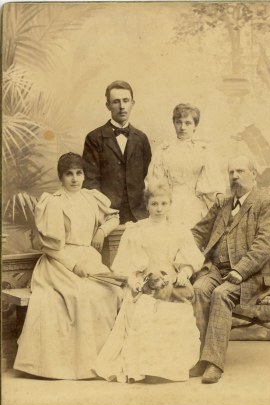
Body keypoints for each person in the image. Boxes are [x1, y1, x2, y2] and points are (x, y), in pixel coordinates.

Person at [14, 153, 123, 379]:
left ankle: (102, 361)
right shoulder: (53, 202)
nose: (74, 179)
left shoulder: (91, 198)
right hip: (59, 263)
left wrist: (102, 231)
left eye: (79, 173)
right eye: (69, 174)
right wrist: (73, 266)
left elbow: (115, 218)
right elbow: (51, 247)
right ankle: (76, 365)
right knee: (82, 295)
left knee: (111, 292)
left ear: (84, 175)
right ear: (61, 177)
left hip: (89, 257)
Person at [92, 183, 205, 383]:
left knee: (175, 314)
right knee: (143, 309)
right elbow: (126, 266)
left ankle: (167, 368)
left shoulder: (178, 230)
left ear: (170, 204)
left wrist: (184, 273)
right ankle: (143, 367)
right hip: (143, 283)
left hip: (171, 284)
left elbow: (189, 261)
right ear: (147, 205)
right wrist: (134, 282)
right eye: (154, 204)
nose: (159, 208)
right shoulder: (136, 230)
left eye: (164, 203)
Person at [191, 155, 270, 384]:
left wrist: (240, 270)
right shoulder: (223, 203)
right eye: (231, 172)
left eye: (240, 171)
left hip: (251, 273)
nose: (235, 176)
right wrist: (176, 248)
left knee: (221, 294)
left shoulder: (265, 204)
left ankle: (214, 363)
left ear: (253, 175)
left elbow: (264, 244)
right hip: (217, 269)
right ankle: (201, 357)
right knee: (199, 289)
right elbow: (197, 233)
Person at [82, 80, 152, 224]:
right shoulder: (94, 138)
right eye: (116, 102)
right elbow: (90, 181)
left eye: (126, 101)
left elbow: (148, 175)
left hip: (139, 215)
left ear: (132, 103)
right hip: (107, 213)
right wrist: (104, 212)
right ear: (108, 105)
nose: (122, 107)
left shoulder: (141, 138)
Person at [146, 103, 226, 228]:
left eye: (188, 123)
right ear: (174, 123)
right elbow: (156, 184)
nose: (182, 127)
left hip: (194, 205)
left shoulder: (203, 151)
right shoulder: (163, 151)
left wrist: (217, 194)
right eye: (179, 122)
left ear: (195, 126)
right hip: (169, 204)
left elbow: (210, 184)